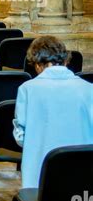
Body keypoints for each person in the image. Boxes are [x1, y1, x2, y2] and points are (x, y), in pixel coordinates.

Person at [13, 35, 93, 188]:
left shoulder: (27, 89)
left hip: (41, 171)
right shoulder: (89, 88)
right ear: (66, 61)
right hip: (83, 174)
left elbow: (20, 136)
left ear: (37, 65)